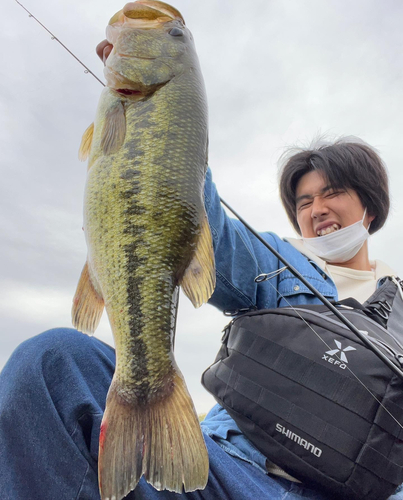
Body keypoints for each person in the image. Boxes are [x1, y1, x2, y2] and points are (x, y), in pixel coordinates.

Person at [0, 40, 402, 500]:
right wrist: (168, 113)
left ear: (369, 206)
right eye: (304, 201)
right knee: (50, 361)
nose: (316, 209)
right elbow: (195, 216)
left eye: (332, 194)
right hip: (227, 469)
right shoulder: (279, 263)